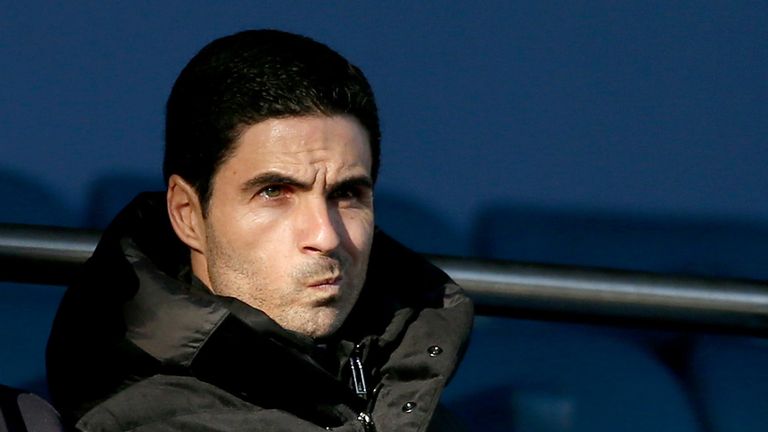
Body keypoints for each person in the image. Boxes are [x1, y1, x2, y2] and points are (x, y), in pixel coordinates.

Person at [46, 29, 473, 431]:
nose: (325, 235)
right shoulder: (150, 417)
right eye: (274, 192)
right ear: (188, 215)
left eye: (347, 194)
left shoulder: (408, 389)